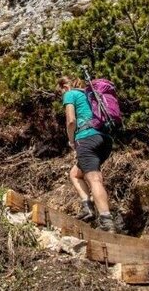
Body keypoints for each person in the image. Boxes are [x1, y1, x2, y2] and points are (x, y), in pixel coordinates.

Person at [57, 75, 116, 232]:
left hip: (86, 138)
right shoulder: (90, 95)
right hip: (105, 140)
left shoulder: (70, 94)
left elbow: (71, 120)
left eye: (60, 91)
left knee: (94, 179)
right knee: (75, 174)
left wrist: (71, 141)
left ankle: (106, 220)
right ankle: (87, 206)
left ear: (64, 87)